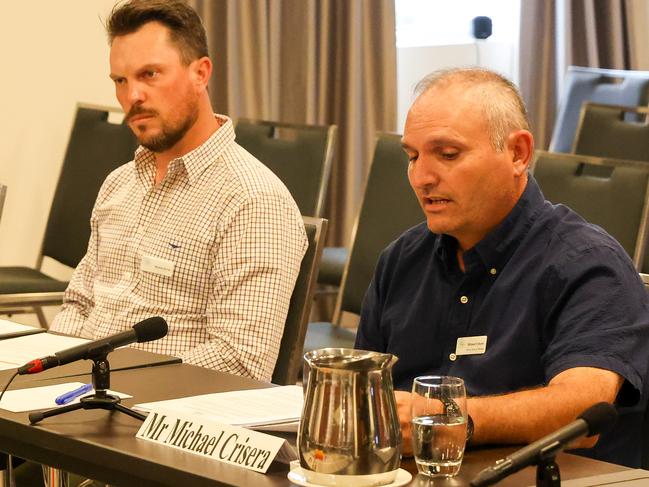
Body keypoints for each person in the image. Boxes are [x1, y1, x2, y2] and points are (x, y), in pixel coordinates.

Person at [355, 67, 649, 467]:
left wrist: (449, 420)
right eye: (411, 156)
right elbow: (364, 398)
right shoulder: (402, 259)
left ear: (518, 153)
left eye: (448, 154)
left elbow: (584, 408)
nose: (421, 177)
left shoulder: (587, 264)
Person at [50, 0, 307, 382]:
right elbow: (79, 303)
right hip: (83, 399)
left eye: (149, 74)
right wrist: (50, 376)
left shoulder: (253, 200)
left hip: (158, 419)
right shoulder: (118, 184)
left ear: (200, 73)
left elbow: (240, 362)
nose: (132, 96)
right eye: (120, 80)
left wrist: (111, 382)